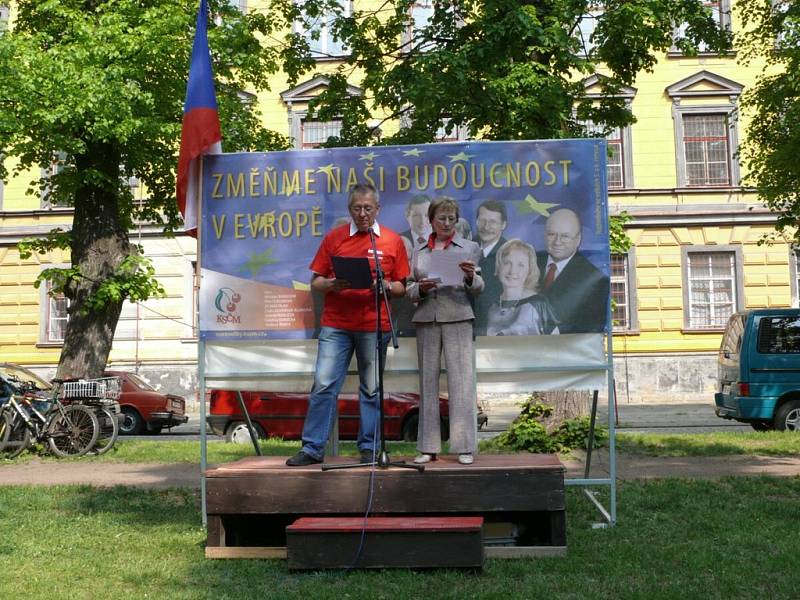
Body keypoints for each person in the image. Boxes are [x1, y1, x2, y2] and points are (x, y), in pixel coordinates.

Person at [286, 183, 410, 466]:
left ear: (378, 209)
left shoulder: (391, 240)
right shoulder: (335, 238)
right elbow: (315, 281)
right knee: (324, 384)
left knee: (371, 388)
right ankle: (312, 448)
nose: (363, 213)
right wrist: (330, 284)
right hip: (336, 325)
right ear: (349, 209)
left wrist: (386, 286)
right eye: (357, 208)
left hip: (374, 325)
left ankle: (370, 447)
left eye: (368, 208)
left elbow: (403, 286)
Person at [406, 197, 483, 465]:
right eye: (442, 218)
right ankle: (428, 447)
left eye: (452, 219)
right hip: (427, 317)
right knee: (427, 383)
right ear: (431, 221)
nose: (448, 223)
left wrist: (471, 277)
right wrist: (420, 289)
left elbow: (479, 287)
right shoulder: (418, 250)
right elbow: (409, 289)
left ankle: (464, 446)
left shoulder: (469, 247)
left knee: (461, 383)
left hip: (459, 316)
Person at [536, 208, 610, 334]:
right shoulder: (528, 262)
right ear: (544, 235)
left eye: (565, 236)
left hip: (563, 350)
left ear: (578, 239)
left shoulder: (594, 278)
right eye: (551, 234)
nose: (557, 242)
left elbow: (590, 329)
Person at [486, 239, 559, 336]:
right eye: (507, 262)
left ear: (529, 270)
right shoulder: (491, 306)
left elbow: (557, 343)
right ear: (499, 266)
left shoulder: (538, 304)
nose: (513, 270)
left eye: (520, 265)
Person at [473, 200, 508, 335]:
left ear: (503, 225)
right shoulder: (465, 246)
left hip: (494, 328)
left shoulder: (510, 253)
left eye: (493, 222)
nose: (486, 226)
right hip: (463, 325)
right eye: (482, 220)